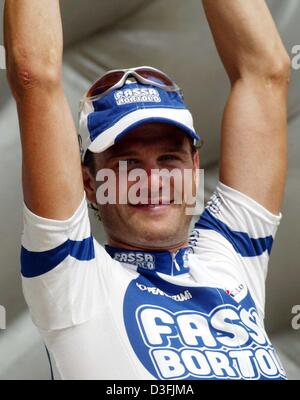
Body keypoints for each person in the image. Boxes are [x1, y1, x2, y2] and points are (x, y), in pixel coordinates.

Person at [4, 0, 291, 380]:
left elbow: (266, 74)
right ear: (89, 183)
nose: (152, 181)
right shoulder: (74, 280)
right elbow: (34, 77)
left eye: (169, 159)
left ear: (193, 168)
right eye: (128, 164)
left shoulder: (231, 256)